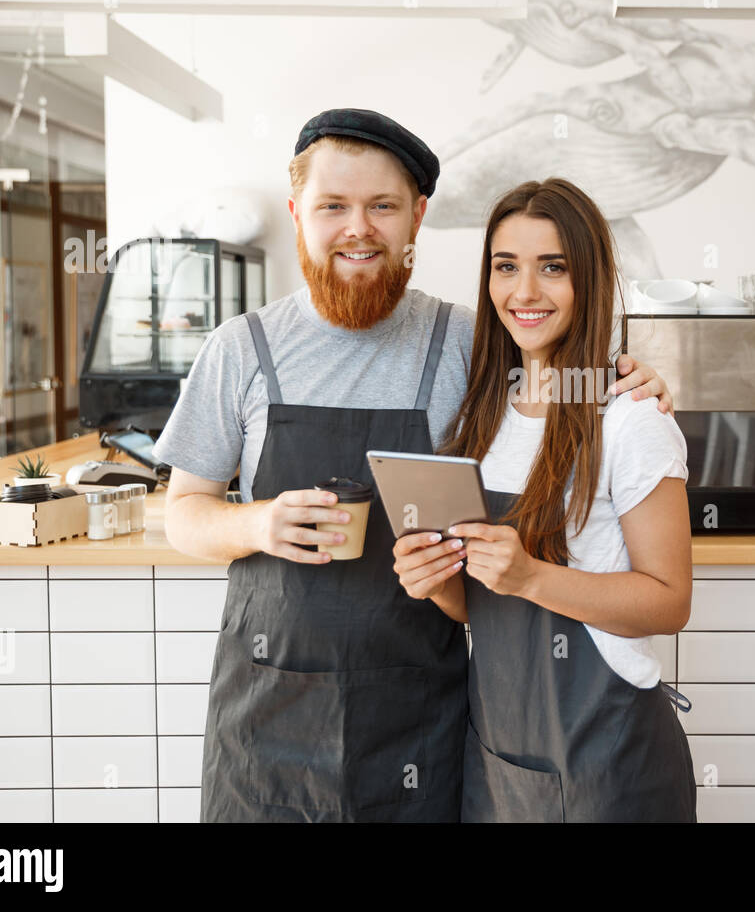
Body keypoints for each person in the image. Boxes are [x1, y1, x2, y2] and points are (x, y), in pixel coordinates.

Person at [156, 109, 674, 822]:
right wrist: (259, 523)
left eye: (382, 207)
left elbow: (555, 369)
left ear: (417, 218)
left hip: (418, 722)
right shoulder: (240, 349)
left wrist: (627, 376)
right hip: (266, 718)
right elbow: (182, 517)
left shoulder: (468, 345)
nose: (357, 229)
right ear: (297, 214)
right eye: (333, 206)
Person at [392, 177, 696, 822]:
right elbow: (478, 608)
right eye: (507, 267)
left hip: (609, 764)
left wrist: (531, 575)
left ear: (589, 279)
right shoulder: (483, 416)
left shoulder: (630, 418)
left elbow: (669, 602)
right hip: (500, 759)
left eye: (552, 268)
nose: (524, 292)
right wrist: (437, 583)